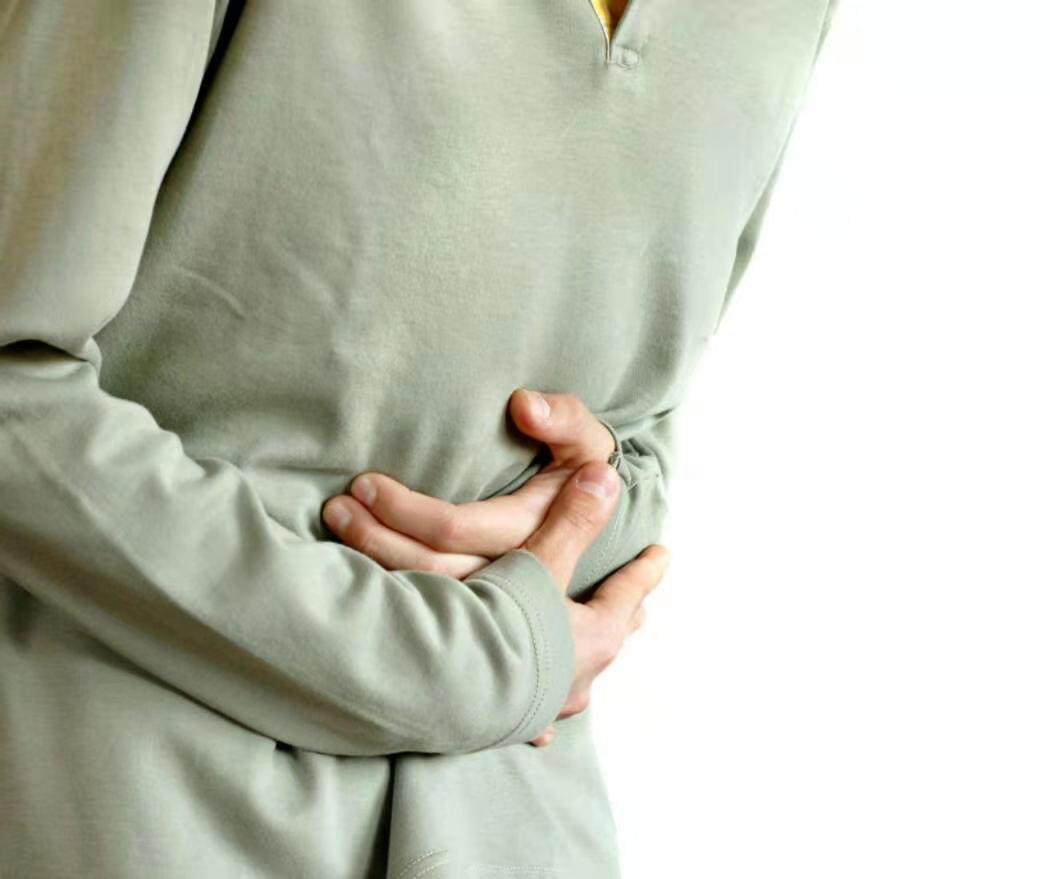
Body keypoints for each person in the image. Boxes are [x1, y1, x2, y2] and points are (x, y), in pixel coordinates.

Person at [0, 1, 837, 876]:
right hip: (129, 790)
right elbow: (16, 378)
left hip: (515, 810)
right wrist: (482, 661)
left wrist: (596, 511)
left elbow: (637, 419)